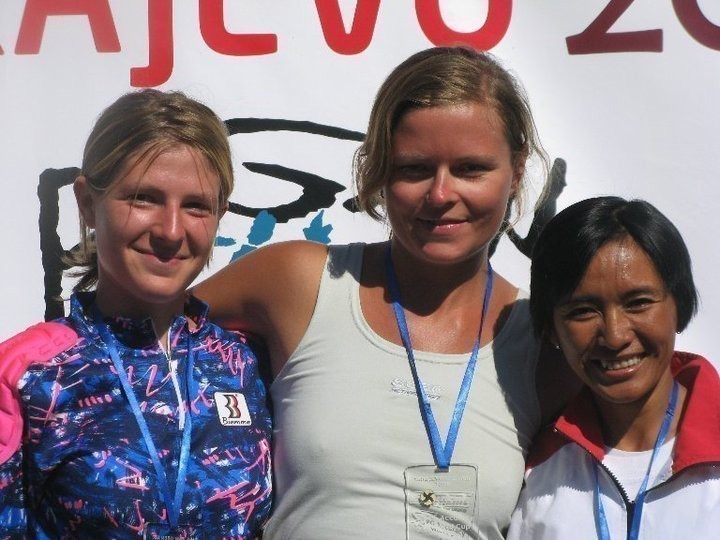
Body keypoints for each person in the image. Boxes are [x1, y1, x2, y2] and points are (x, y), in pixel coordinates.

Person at [195, 46, 566, 538]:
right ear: (380, 170)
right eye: (414, 168)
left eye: (470, 169)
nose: (440, 194)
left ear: (516, 171)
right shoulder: (300, 282)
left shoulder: (544, 343)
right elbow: (125, 333)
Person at [0, 89, 272, 538]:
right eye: (144, 198)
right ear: (88, 203)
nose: (171, 230)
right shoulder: (26, 374)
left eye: (196, 206)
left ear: (219, 215)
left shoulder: (246, 362)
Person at [507, 197, 720, 539]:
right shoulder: (536, 469)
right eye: (583, 311)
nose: (615, 336)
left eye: (638, 303)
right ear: (551, 330)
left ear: (678, 305)